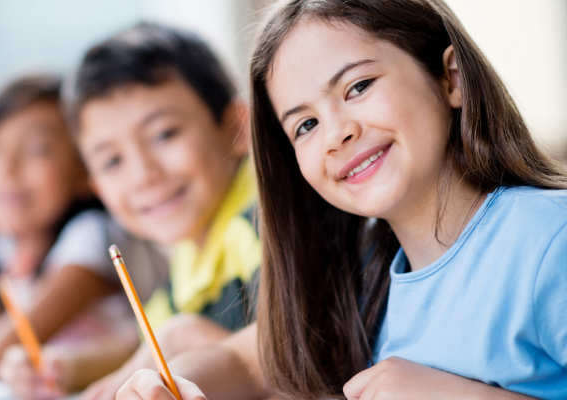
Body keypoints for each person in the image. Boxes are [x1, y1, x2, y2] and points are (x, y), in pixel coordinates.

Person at [118, 0, 567, 399]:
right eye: (305, 125)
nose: (336, 133)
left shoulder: (548, 237)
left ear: (451, 78)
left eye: (358, 86)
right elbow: (244, 363)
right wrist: (166, 382)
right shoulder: (359, 270)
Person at [0, 23, 260, 400]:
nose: (143, 175)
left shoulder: (267, 218)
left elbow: (294, 348)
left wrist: (179, 337)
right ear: (98, 187)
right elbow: (138, 345)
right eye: (113, 160)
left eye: (164, 134)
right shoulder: (187, 256)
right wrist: (61, 365)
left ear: (236, 126)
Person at [0, 75, 167, 390]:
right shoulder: (10, 250)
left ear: (85, 168)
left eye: (35, 149)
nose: (6, 167)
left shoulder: (91, 237)